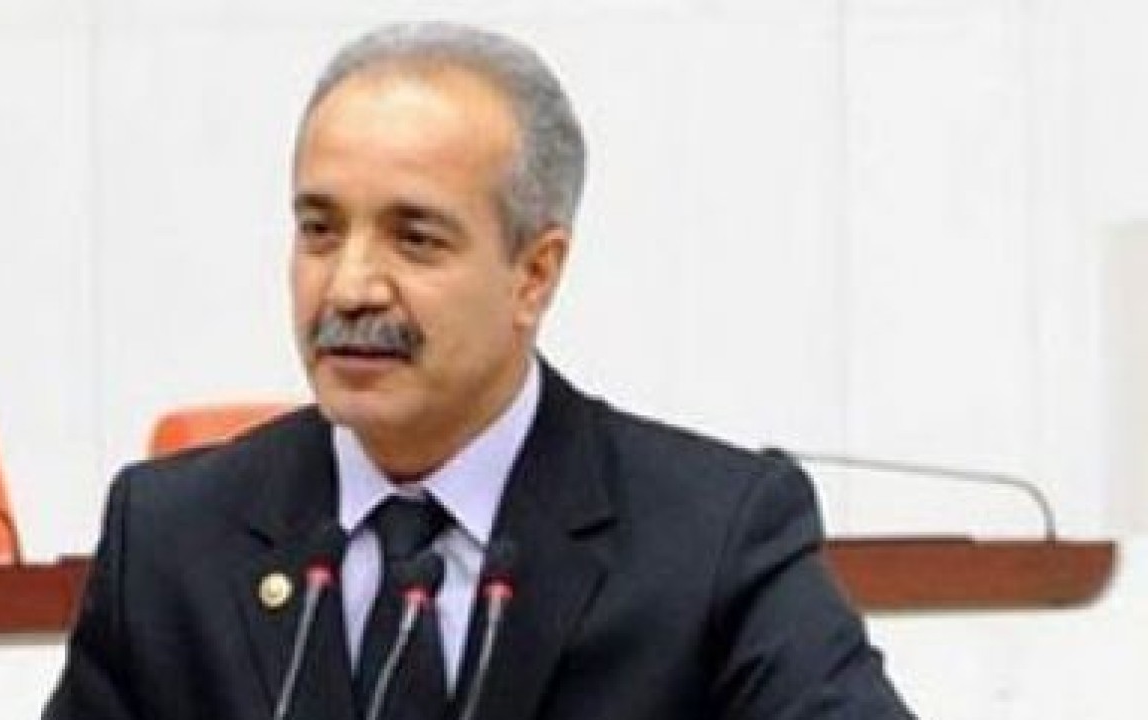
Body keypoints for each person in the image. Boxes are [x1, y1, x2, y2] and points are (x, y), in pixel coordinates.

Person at [45, 21, 914, 720]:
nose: (349, 286)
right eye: (319, 230)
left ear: (534, 273)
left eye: (415, 238)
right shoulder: (170, 538)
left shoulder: (714, 538)